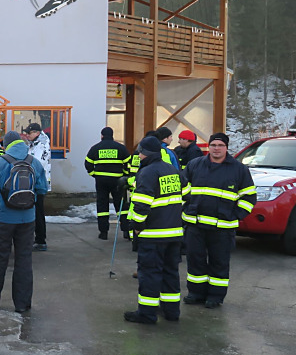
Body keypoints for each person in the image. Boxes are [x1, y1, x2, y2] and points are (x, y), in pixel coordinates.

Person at [0, 130, 48, 313]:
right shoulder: (34, 162)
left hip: (3, 218)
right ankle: (22, 304)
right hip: (27, 219)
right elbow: (42, 189)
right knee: (24, 260)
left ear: (5, 145)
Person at [182, 132, 255, 309]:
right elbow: (181, 188)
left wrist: (235, 215)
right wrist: (187, 206)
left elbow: (249, 197)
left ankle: (215, 296)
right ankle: (196, 293)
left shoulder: (239, 169)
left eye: (220, 145)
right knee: (195, 260)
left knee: (219, 262)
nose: (216, 149)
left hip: (222, 227)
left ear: (226, 148)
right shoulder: (195, 165)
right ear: (208, 147)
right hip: (195, 224)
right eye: (213, 145)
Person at [124, 136, 188, 324]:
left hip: (153, 235)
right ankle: (172, 311)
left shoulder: (147, 173)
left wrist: (137, 226)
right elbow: (187, 194)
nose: (139, 156)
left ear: (144, 153)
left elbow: (141, 205)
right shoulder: (172, 169)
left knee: (149, 274)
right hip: (174, 233)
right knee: (170, 273)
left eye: (140, 152)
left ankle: (147, 313)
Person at [84, 126, 131, 240]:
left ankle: (103, 232)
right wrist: (124, 175)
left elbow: (88, 163)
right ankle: (126, 231)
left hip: (101, 181)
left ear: (102, 136)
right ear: (112, 135)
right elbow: (128, 163)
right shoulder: (120, 148)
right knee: (121, 205)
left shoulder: (95, 148)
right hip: (117, 181)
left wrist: (94, 174)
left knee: (102, 205)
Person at [24, 123, 51, 251]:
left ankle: (40, 240)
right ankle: (37, 238)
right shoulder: (34, 144)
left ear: (37, 133)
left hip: (38, 183)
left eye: (29, 133)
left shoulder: (42, 145)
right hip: (34, 182)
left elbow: (37, 163)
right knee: (35, 211)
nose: (27, 136)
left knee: (38, 212)